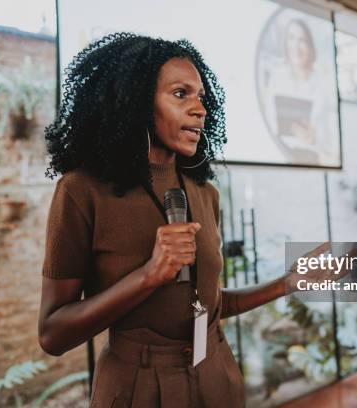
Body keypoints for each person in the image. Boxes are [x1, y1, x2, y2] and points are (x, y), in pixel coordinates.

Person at [38, 32, 338, 407]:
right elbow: (52, 334)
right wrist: (148, 276)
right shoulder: (81, 191)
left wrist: (287, 283)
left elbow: (210, 306)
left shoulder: (205, 193)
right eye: (181, 94)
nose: (200, 109)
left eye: (201, 97)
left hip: (216, 374)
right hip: (137, 386)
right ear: (135, 103)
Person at [262, 18, 339, 166]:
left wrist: (314, 138)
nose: (296, 46)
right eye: (291, 38)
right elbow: (269, 121)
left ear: (310, 46)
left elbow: (332, 134)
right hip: (279, 156)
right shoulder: (277, 77)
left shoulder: (323, 83)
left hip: (313, 159)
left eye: (302, 40)